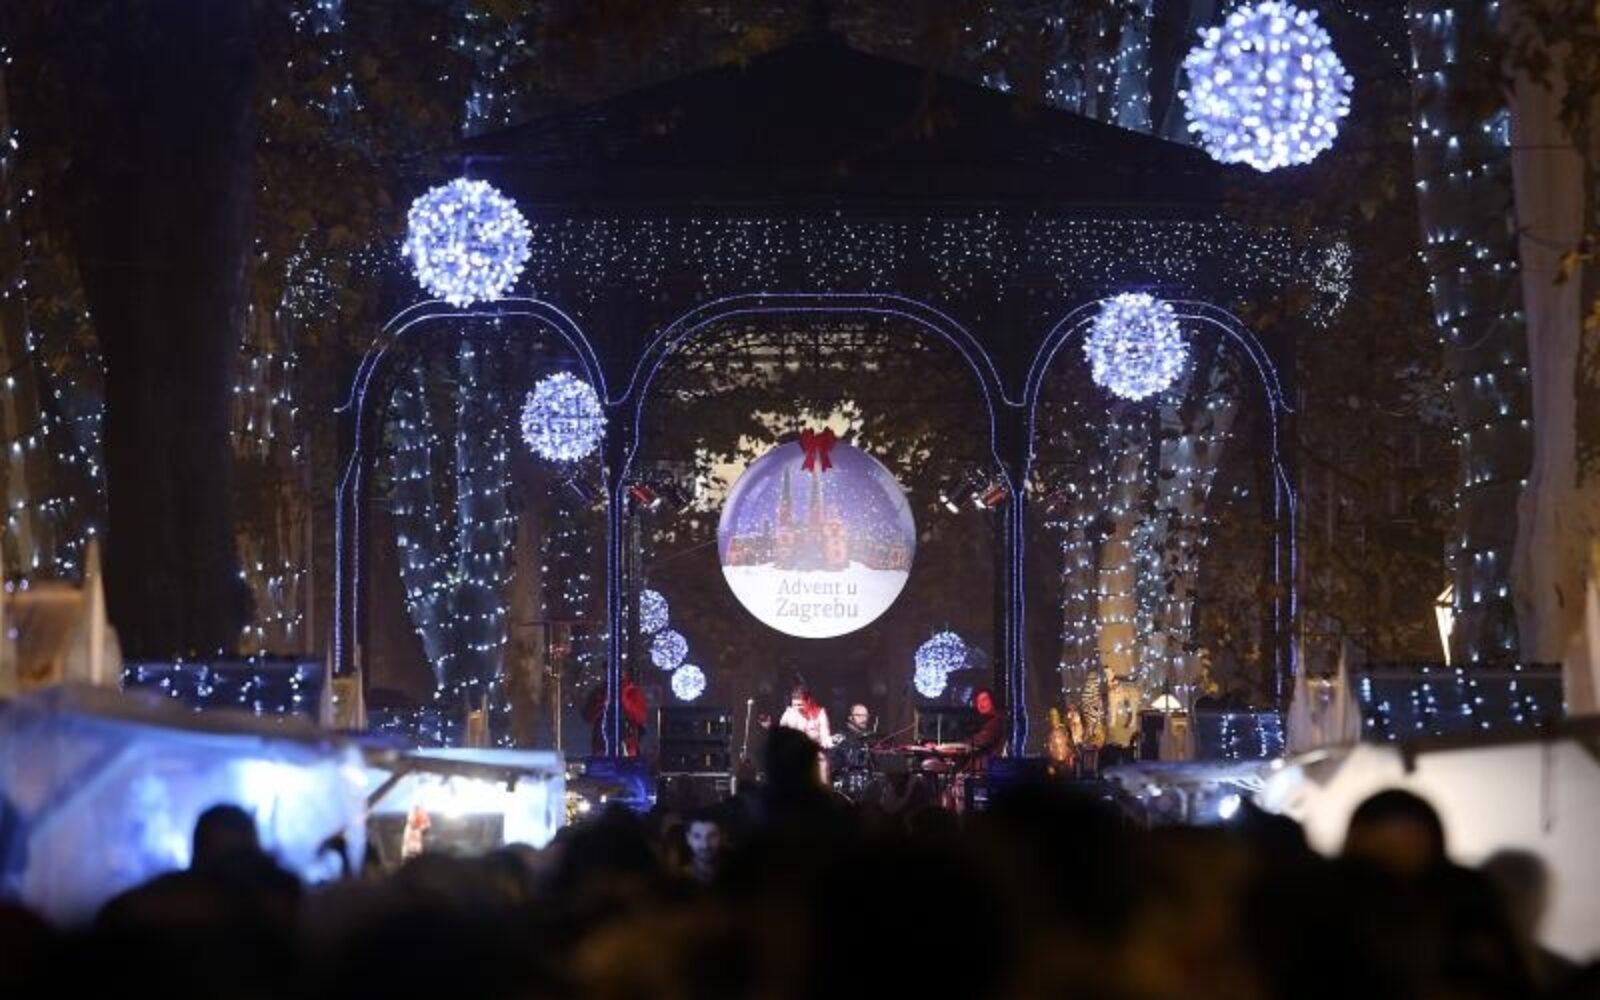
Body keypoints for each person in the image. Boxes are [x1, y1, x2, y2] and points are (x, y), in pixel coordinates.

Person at [582, 677, 649, 756]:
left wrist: (624, 698)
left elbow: (640, 717)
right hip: (602, 747)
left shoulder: (632, 692)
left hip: (627, 746)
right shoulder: (599, 692)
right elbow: (588, 716)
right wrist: (602, 705)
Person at [778, 686, 832, 782]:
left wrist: (826, 742)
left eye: (800, 705)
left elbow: (825, 736)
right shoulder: (788, 714)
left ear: (808, 701)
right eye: (794, 705)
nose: (797, 708)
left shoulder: (820, 713)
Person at [682, 810, 725, 884]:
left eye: (712, 836)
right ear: (688, 839)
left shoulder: (738, 873)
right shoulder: (678, 878)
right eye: (697, 836)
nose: (705, 845)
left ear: (723, 837)